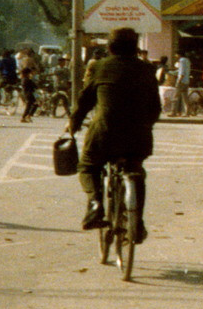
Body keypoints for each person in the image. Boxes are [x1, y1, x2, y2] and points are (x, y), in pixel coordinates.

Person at [67, 27, 161, 237]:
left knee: (88, 167)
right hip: (138, 137)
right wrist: (145, 126)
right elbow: (155, 108)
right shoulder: (147, 70)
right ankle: (137, 223)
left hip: (105, 134)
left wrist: (73, 124)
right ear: (136, 48)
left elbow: (84, 102)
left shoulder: (100, 67)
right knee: (136, 171)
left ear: (109, 47)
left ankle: (95, 204)